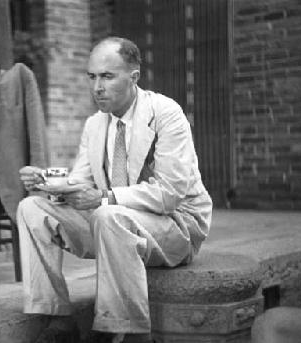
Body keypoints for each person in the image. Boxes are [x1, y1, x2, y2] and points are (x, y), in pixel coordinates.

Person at [17, 37, 213, 343]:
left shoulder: (165, 114)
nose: (97, 87)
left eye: (107, 77)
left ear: (133, 78)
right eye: (92, 77)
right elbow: (80, 183)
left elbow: (169, 193)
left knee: (108, 214)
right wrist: (45, 181)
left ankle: (128, 333)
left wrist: (106, 198)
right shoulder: (95, 124)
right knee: (32, 208)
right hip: (114, 225)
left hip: (175, 225)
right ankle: (58, 319)